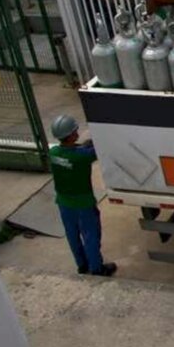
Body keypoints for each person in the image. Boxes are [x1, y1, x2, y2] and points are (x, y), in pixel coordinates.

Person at [49, 114, 116, 277]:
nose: (78, 132)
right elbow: (96, 151)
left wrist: (82, 146)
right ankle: (97, 268)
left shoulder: (53, 153)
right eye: (75, 130)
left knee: (73, 236)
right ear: (71, 134)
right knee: (91, 235)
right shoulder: (82, 156)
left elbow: (73, 152)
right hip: (83, 204)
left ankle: (82, 265)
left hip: (64, 203)